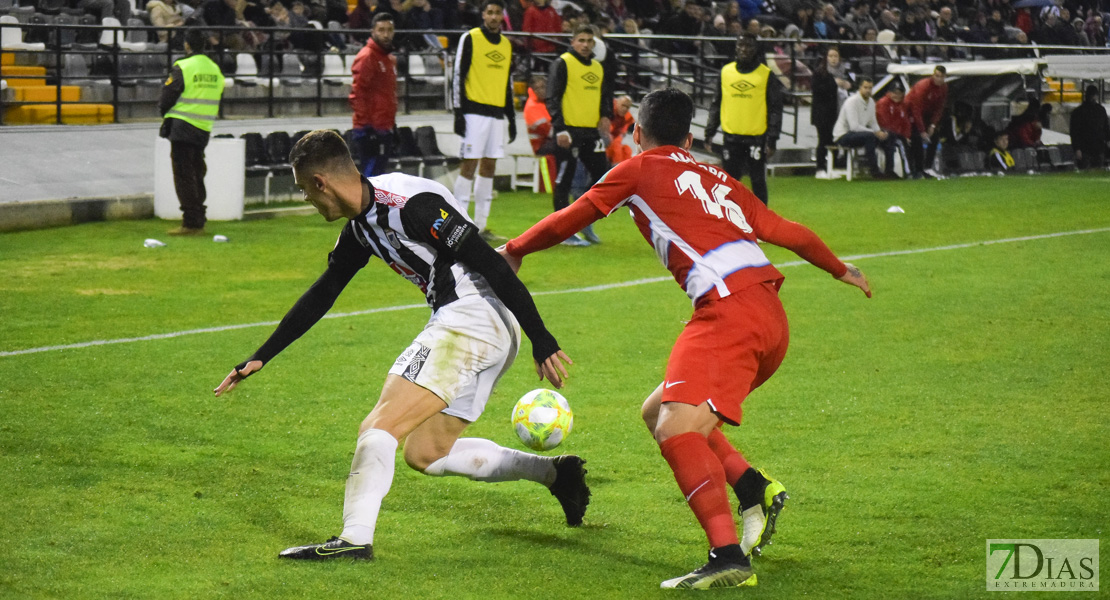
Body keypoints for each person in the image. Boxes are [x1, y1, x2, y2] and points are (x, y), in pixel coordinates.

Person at [498, 88, 871, 589]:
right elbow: (790, 231)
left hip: (729, 316)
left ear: (636, 133)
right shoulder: (722, 179)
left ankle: (727, 557)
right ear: (690, 138)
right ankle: (753, 487)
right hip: (768, 317)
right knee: (658, 411)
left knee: (676, 429)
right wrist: (839, 268)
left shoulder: (637, 168)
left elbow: (575, 215)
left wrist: (515, 249)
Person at [213, 130, 589, 560]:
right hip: (482, 326)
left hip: (472, 318)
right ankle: (557, 475)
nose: (305, 200)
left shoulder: (411, 205)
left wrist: (543, 338)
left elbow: (490, 263)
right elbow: (325, 290)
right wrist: (261, 355)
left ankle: (354, 540)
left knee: (379, 427)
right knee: (426, 453)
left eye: (303, 189)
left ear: (321, 183)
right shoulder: (360, 227)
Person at [452, 0, 517, 244]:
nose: (493, 17)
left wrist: (511, 117)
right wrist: (458, 112)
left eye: (497, 13)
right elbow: (458, 75)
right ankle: (458, 224)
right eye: (489, 12)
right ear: (483, 15)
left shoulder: (507, 45)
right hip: (473, 113)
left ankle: (479, 225)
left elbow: (508, 85)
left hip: (496, 114)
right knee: (468, 165)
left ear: (502, 16)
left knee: (489, 167)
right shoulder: (470, 38)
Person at [546, 24, 612, 244]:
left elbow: (603, 96)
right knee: (564, 180)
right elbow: (553, 98)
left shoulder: (597, 67)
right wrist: (560, 128)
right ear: (572, 42)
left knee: (602, 178)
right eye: (581, 40)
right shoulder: (563, 63)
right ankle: (562, 232)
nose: (585, 45)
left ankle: (584, 222)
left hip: (591, 133)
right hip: (569, 131)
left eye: (589, 41)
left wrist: (605, 115)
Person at [158, 28, 225, 236]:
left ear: (187, 45)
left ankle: (191, 222)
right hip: (203, 127)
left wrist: (164, 112)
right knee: (197, 172)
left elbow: (167, 95)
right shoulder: (214, 68)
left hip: (183, 125)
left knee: (184, 175)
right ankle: (198, 217)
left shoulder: (183, 66)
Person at [703, 33, 784, 205]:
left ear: (755, 50)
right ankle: (729, 219)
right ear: (736, 48)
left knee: (758, 180)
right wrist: (710, 131)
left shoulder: (766, 75)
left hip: (756, 137)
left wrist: (772, 139)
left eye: (749, 46)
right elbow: (717, 103)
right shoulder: (726, 72)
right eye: (741, 46)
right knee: (729, 182)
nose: (744, 50)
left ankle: (763, 221)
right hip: (731, 137)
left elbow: (775, 109)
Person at [348, 13, 398, 177]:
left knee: (378, 176)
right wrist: (366, 128)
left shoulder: (387, 58)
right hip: (370, 128)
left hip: (382, 125)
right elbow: (358, 94)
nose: (386, 34)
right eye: (381, 30)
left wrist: (392, 124)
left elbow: (387, 95)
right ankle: (364, 203)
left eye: (389, 30)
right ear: (373, 32)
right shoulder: (368, 56)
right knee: (371, 178)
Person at [831, 77, 894, 179]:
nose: (868, 90)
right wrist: (875, 132)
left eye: (870, 88)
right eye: (865, 87)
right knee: (870, 136)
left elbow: (873, 122)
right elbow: (854, 127)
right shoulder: (851, 101)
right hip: (843, 135)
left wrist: (880, 132)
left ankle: (889, 171)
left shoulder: (871, 102)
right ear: (860, 87)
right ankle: (874, 171)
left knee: (890, 136)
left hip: (860, 134)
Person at [811, 48, 851, 176]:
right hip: (822, 113)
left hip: (838, 112)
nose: (833, 59)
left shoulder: (844, 72)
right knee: (823, 140)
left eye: (836, 56)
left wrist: (849, 85)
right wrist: (834, 84)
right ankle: (820, 168)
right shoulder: (819, 72)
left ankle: (832, 168)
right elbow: (817, 90)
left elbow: (853, 86)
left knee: (833, 141)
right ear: (826, 58)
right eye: (831, 56)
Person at [905, 65, 947, 178]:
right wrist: (922, 130)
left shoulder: (943, 88)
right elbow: (916, 109)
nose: (938, 79)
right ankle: (918, 170)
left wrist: (933, 125)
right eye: (936, 76)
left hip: (926, 116)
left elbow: (939, 108)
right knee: (917, 139)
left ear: (944, 77)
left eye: (941, 77)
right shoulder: (922, 86)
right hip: (910, 114)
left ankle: (928, 168)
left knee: (935, 136)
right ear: (933, 75)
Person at [524, 74, 557, 193]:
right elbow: (547, 131)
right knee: (567, 147)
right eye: (538, 88)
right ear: (532, 89)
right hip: (540, 145)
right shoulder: (532, 106)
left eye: (544, 87)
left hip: (548, 141)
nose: (542, 90)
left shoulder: (545, 103)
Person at [874, 82, 911, 178]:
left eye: (899, 93)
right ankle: (906, 172)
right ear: (889, 93)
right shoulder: (883, 103)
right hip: (883, 133)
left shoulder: (902, 105)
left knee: (909, 141)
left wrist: (907, 135)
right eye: (895, 93)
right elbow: (884, 122)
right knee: (900, 143)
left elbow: (906, 122)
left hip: (895, 134)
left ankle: (892, 170)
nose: (897, 95)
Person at [1069, 85, 1109, 170]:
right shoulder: (1099, 110)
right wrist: (1077, 148)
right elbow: (1074, 132)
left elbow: (1106, 128)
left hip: (1096, 148)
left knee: (1093, 170)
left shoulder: (1079, 112)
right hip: (1087, 148)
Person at [607, 95, 636, 164]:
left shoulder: (628, 118)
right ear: (617, 103)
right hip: (604, 143)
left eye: (627, 107)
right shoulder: (608, 111)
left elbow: (622, 134)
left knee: (627, 150)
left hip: (614, 144)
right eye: (623, 105)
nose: (625, 109)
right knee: (616, 146)